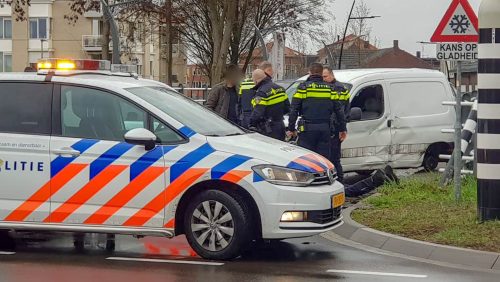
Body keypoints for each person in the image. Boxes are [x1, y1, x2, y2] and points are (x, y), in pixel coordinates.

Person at [287, 63, 346, 158]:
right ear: (321, 73)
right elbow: (339, 110)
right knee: (323, 159)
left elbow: (294, 109)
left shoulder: (303, 88)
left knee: (307, 159)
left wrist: (291, 128)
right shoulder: (330, 89)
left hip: (307, 129)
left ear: (310, 73)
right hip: (325, 129)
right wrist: (342, 128)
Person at [323, 67, 350, 182]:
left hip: (335, 129)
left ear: (332, 75)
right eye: (322, 77)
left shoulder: (338, 88)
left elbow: (340, 111)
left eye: (325, 76)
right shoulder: (326, 87)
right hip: (329, 128)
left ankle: (340, 183)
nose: (323, 79)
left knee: (334, 158)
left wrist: (339, 128)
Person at [249, 69, 290, 140]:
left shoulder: (261, 93)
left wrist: (251, 124)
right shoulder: (280, 88)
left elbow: (257, 113)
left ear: (256, 80)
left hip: (267, 129)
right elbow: (287, 108)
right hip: (280, 126)